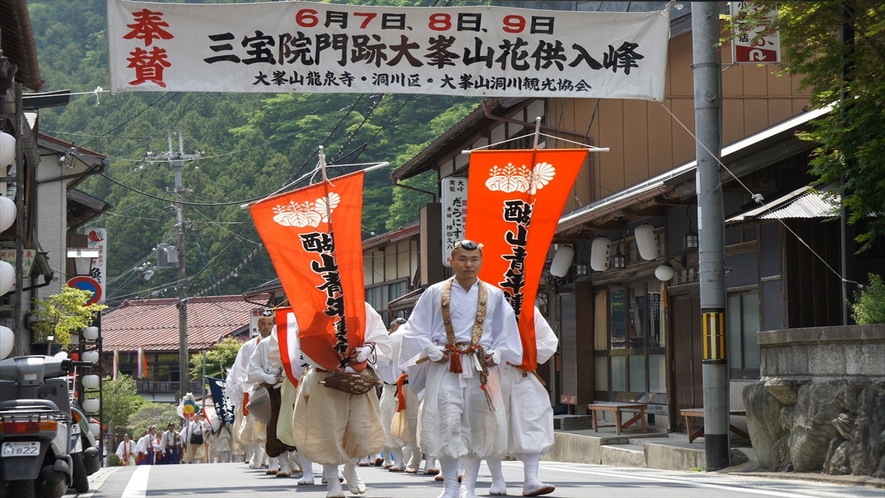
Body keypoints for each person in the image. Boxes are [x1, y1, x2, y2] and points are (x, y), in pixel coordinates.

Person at [400, 239, 523, 498]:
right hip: (446, 364)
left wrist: (498, 353)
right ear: (451, 261)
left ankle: (469, 485)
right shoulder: (434, 292)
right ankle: (450, 486)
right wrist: (430, 348)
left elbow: (507, 332)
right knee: (447, 420)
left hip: (480, 365)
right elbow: (414, 327)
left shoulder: (494, 294)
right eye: (463, 259)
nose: (469, 264)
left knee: (479, 423)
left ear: (481, 261)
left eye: (474, 259)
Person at [270, 301, 391, 498]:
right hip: (323, 378)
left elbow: (379, 335)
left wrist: (367, 350)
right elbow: (303, 343)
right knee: (328, 432)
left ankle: (351, 467)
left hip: (357, 379)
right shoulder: (312, 310)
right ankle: (333, 481)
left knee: (361, 430)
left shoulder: (361, 306)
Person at [486, 307, 559, 496]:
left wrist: (523, 355)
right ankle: (497, 479)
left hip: (522, 374)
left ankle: (531, 479)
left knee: (532, 422)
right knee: (492, 426)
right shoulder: (482, 306)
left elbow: (549, 342)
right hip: (492, 375)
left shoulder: (528, 310)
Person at [246, 311, 297, 477]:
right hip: (273, 392)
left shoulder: (296, 341)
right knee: (274, 427)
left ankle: (303, 464)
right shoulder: (264, 344)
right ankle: (282, 464)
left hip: (294, 389)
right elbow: (252, 367)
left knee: (298, 426)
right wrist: (268, 376)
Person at [226, 319, 264, 468]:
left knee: (272, 423)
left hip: (274, 386)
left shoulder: (278, 343)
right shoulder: (248, 346)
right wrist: (245, 386)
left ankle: (273, 458)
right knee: (251, 424)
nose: (266, 327)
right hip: (251, 389)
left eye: (270, 324)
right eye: (263, 324)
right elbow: (239, 371)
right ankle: (254, 453)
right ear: (258, 326)